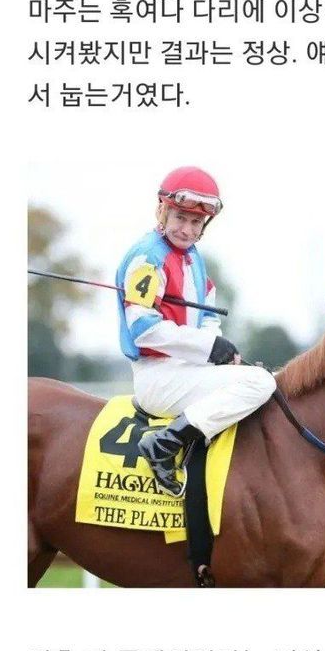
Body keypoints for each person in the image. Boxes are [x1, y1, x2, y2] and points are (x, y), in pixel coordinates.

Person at [116, 166, 276, 496]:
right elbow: (143, 330)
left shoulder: (193, 258)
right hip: (157, 376)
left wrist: (218, 353)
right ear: (162, 211)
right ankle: (165, 443)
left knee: (264, 378)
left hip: (187, 370)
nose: (187, 229)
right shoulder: (148, 257)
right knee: (260, 383)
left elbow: (207, 317)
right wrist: (208, 347)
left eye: (196, 222)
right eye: (180, 218)